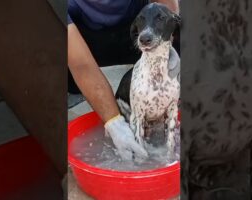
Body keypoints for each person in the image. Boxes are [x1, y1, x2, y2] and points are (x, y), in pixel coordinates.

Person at [68, 0, 180, 160]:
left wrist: (166, 47)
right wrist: (113, 122)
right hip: (85, 39)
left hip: (138, 28)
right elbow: (81, 65)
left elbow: (167, 10)